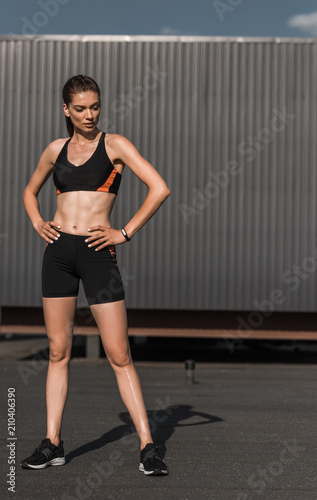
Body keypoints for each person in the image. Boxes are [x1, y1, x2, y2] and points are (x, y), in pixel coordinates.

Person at [20, 74, 171, 476]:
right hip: (57, 255)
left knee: (119, 354)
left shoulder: (115, 145)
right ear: (66, 110)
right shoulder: (55, 150)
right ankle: (53, 443)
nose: (90, 114)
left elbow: (159, 188)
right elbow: (29, 191)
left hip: (97, 253)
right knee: (57, 351)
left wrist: (124, 232)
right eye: (81, 108)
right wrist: (37, 221)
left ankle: (148, 447)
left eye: (96, 106)